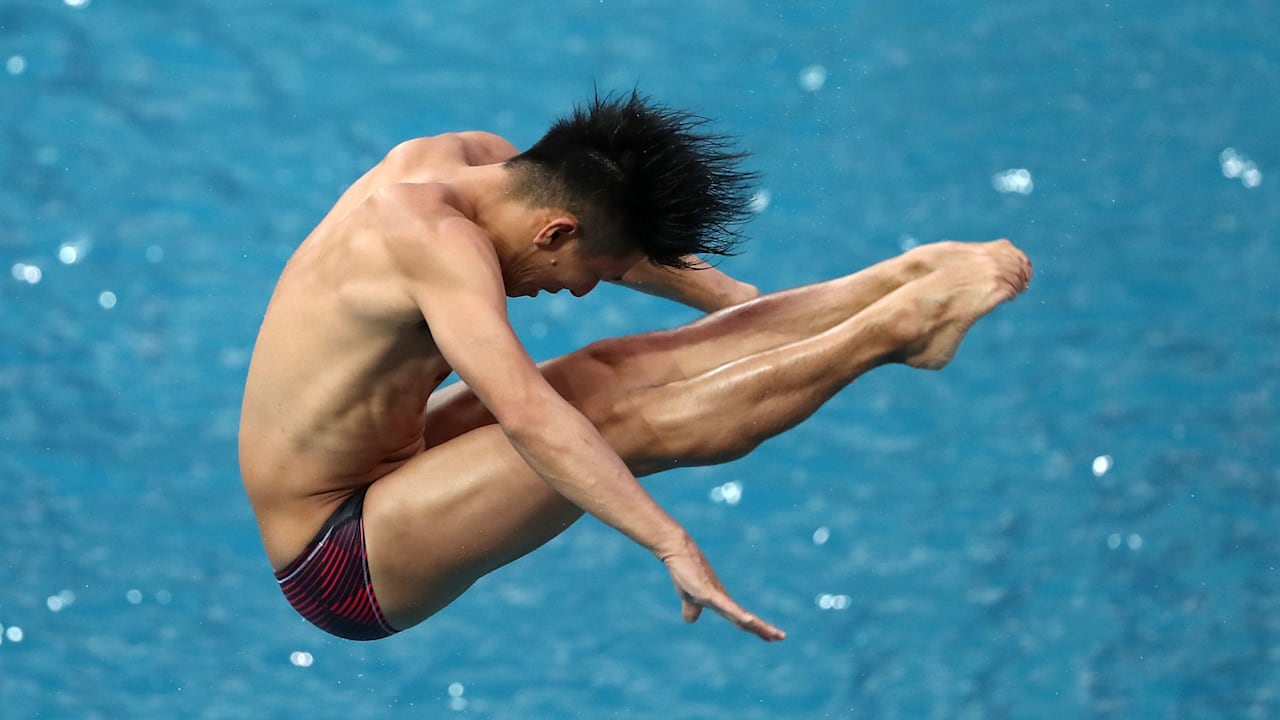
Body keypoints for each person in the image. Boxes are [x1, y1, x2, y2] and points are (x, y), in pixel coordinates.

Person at [239, 91, 1032, 643]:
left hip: (388, 477)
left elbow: (613, 247)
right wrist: (668, 543)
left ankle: (885, 288)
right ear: (551, 231)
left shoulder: (469, 166)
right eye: (583, 271)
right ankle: (898, 329)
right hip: (340, 558)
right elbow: (528, 416)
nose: (580, 288)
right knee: (604, 418)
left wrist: (745, 304)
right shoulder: (434, 242)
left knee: (605, 366)